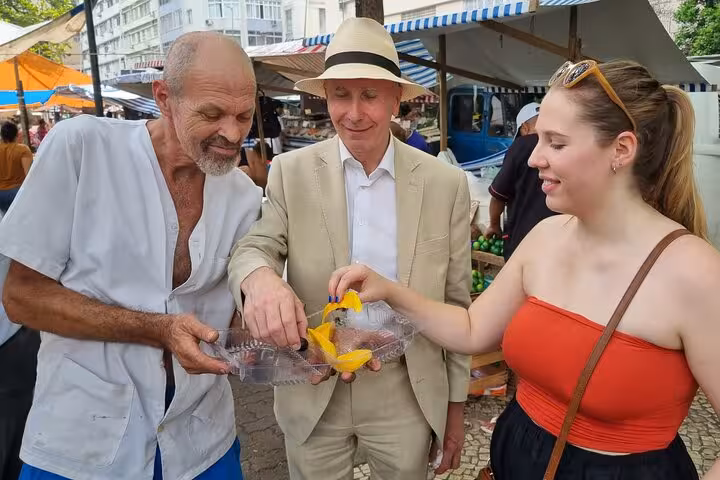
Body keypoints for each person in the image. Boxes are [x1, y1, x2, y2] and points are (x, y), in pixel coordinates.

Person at [328, 60, 720, 480]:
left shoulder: (693, 272)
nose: (534, 158)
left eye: (556, 143)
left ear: (621, 150)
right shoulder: (546, 236)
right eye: (539, 140)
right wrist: (387, 289)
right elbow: (471, 328)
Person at [0, 31, 262, 480]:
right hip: (82, 439)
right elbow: (22, 298)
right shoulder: (80, 148)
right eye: (213, 114)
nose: (233, 133)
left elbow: (235, 322)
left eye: (244, 115)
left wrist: (279, 339)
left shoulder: (244, 196)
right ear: (164, 96)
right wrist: (158, 329)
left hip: (201, 442)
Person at [228, 18, 472, 480]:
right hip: (315, 382)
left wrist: (455, 409)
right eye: (341, 94)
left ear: (396, 98)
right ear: (326, 97)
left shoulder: (446, 184)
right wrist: (257, 279)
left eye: (369, 95)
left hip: (404, 388)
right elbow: (257, 244)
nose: (353, 113)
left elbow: (457, 303)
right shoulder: (290, 171)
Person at [485, 102, 557, 260]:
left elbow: (499, 193)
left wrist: (494, 225)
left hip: (523, 237)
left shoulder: (521, 145)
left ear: (524, 127)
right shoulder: (561, 145)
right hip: (558, 236)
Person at [0, 121, 33, 212]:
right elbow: (29, 174)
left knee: (6, 219)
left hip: (0, 193)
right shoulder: (23, 149)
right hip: (18, 192)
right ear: (16, 134)